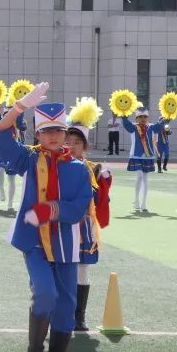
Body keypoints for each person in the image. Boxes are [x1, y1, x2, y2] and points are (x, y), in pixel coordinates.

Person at [0, 83, 91, 352]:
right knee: (46, 295)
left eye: (58, 131)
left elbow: (79, 207)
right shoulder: (29, 160)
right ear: (37, 134)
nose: (53, 136)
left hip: (66, 246)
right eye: (46, 130)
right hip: (35, 243)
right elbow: (3, 134)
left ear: (66, 133)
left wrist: (48, 210)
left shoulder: (79, 168)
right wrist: (19, 107)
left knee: (66, 311)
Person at [64, 105, 112, 333]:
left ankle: (79, 317)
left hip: (83, 226)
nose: (72, 147)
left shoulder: (94, 168)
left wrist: (104, 183)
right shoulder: (57, 165)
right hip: (62, 225)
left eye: (77, 143)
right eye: (69, 142)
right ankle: (62, 313)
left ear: (85, 146)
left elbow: (100, 200)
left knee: (82, 269)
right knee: (63, 269)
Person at [121, 105, 164, 212]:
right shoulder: (133, 127)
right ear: (136, 118)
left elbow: (161, 124)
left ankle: (144, 202)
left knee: (145, 178)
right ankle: (136, 199)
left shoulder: (152, 127)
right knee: (140, 175)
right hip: (136, 155)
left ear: (148, 117)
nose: (143, 119)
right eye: (140, 117)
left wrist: (169, 114)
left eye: (145, 116)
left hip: (148, 156)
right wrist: (123, 111)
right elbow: (125, 122)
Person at [0, 103, 28, 211]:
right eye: (6, 114)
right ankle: (1, 190)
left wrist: (22, 105)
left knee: (11, 179)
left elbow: (22, 123)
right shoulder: (1, 123)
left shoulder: (18, 125)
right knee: (0, 170)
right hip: (2, 153)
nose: (8, 116)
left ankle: (10, 203)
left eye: (11, 114)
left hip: (14, 153)